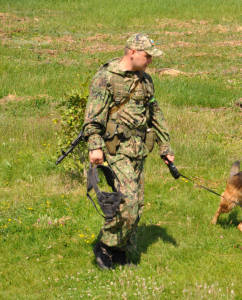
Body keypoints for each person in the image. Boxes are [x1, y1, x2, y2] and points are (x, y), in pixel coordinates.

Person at [83, 33, 174, 270]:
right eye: (147, 56)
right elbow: (92, 119)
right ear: (132, 52)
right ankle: (105, 246)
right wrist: (94, 145)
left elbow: (155, 114)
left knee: (138, 204)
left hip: (138, 150)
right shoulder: (105, 78)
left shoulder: (146, 80)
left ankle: (121, 252)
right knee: (128, 202)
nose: (150, 61)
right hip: (115, 150)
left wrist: (165, 147)